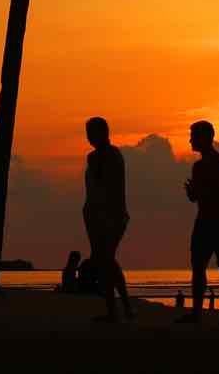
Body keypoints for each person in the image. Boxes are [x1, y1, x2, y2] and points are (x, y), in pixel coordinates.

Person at [178, 119, 219, 324]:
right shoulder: (201, 166)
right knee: (200, 267)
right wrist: (193, 193)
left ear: (205, 138)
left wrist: (198, 193)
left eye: (193, 136)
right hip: (207, 221)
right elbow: (200, 196)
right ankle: (199, 313)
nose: (190, 140)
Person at [83, 116, 133, 321]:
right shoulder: (98, 156)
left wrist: (102, 214)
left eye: (91, 132)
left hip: (110, 216)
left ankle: (115, 311)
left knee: (105, 261)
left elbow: (105, 187)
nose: (89, 137)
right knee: (108, 261)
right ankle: (123, 308)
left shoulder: (109, 156)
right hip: (97, 215)